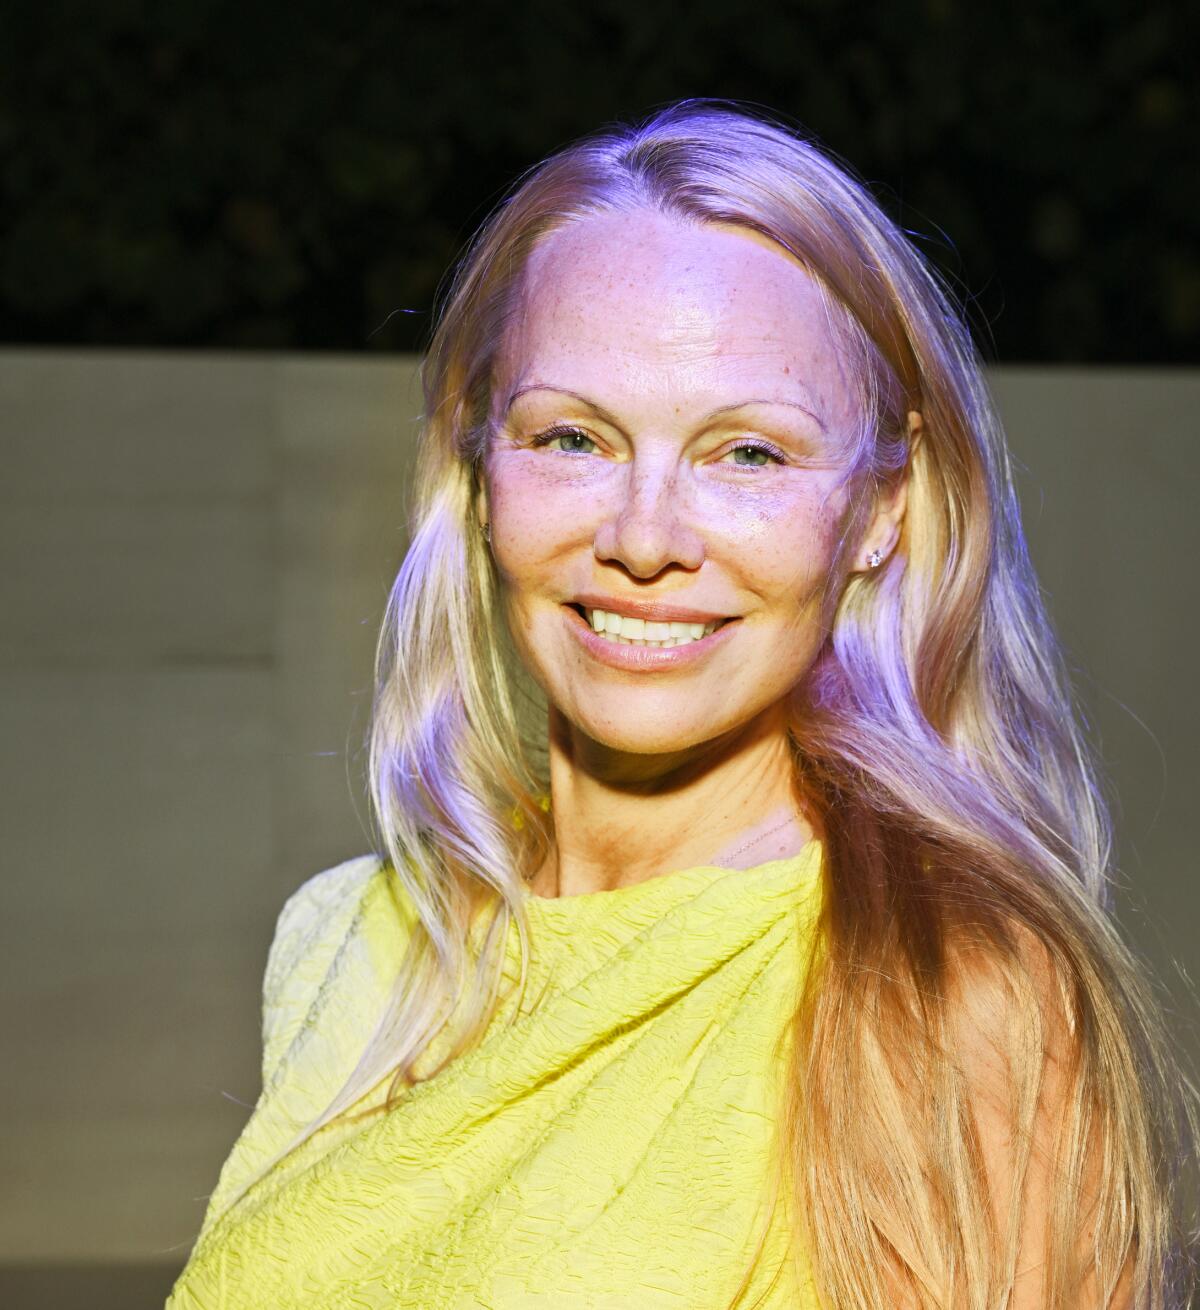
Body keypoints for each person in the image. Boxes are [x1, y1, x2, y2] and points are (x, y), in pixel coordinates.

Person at [166, 99, 1198, 1308]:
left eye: (747, 454)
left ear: (879, 510)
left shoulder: (945, 992)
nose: (644, 538)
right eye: (573, 439)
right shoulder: (354, 937)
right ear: (477, 464)